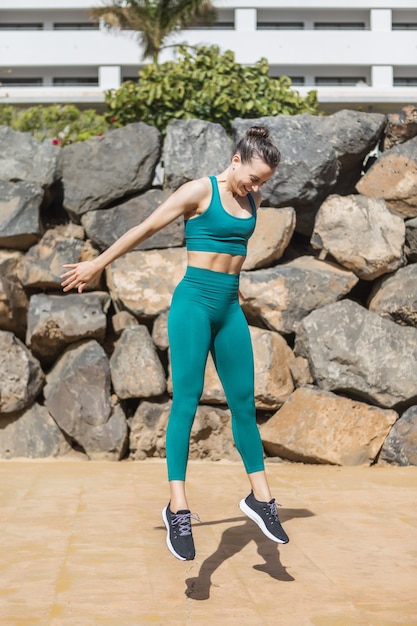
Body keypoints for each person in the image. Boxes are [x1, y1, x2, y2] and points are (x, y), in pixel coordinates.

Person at [61, 125, 289, 561]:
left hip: (228, 309)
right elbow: (145, 227)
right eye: (253, 177)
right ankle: (177, 507)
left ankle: (261, 499)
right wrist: (97, 264)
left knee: (244, 403)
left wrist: (236, 304)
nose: (257, 187)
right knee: (186, 400)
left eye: (263, 182)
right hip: (193, 305)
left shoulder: (253, 201)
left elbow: (233, 257)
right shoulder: (199, 191)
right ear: (236, 159)